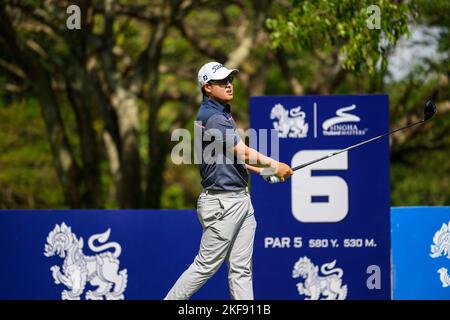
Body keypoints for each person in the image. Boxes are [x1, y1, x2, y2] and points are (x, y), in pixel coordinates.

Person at [164, 62, 292, 300]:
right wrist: (276, 165)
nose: (229, 85)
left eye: (230, 80)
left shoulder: (221, 113)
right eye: (223, 82)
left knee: (241, 270)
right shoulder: (213, 117)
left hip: (240, 199)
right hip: (223, 204)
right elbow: (242, 152)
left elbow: (233, 159)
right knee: (205, 266)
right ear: (208, 87)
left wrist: (263, 172)